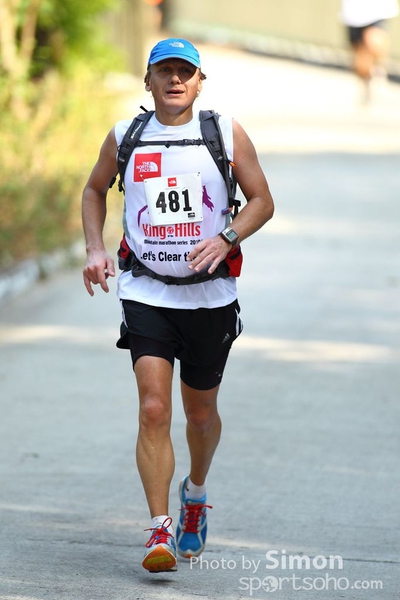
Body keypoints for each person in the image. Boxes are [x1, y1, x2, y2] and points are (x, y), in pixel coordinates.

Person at [82, 38, 274, 573]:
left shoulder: (224, 133)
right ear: (147, 81)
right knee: (153, 408)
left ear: (199, 82)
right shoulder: (127, 135)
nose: (174, 80)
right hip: (147, 291)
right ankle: (159, 530)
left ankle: (196, 492)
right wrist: (95, 248)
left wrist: (228, 237)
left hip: (210, 296)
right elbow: (94, 190)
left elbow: (262, 200)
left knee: (200, 414)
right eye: (163, 71)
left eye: (184, 72)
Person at [340, 0, 399, 102]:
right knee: (360, 65)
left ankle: (378, 67)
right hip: (352, 13)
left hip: (377, 10)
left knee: (374, 40)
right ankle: (367, 80)